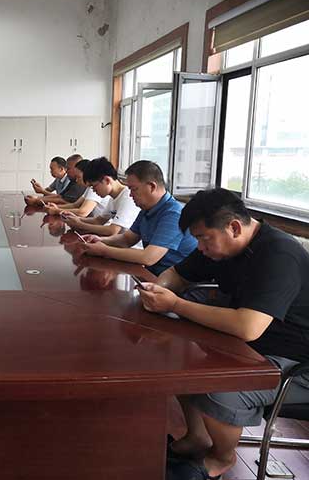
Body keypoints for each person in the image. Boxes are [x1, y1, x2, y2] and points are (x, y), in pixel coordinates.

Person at [136, 188, 309, 480]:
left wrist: (175, 304)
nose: (200, 247)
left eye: (203, 238)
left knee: (221, 386)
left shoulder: (279, 254)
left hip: (296, 361)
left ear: (234, 227)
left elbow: (248, 326)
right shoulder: (220, 246)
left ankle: (222, 458)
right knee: (178, 358)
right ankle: (196, 438)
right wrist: (158, 289)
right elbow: (177, 274)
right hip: (253, 347)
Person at [78, 160, 197, 275]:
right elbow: (127, 239)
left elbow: (148, 257)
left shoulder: (173, 213)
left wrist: (104, 250)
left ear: (152, 186)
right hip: (153, 273)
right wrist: (100, 240)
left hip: (174, 281)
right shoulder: (146, 209)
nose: (130, 194)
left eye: (134, 189)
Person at [62, 157, 139, 236]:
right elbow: (98, 221)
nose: (93, 190)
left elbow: (112, 230)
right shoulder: (113, 198)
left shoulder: (128, 197)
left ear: (107, 180)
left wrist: (80, 224)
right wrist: (76, 219)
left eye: (94, 186)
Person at [45, 158, 111, 218]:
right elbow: (74, 205)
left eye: (78, 177)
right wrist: (55, 207)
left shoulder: (94, 189)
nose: (76, 180)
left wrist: (57, 210)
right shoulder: (88, 188)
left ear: (86, 174)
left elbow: (82, 212)